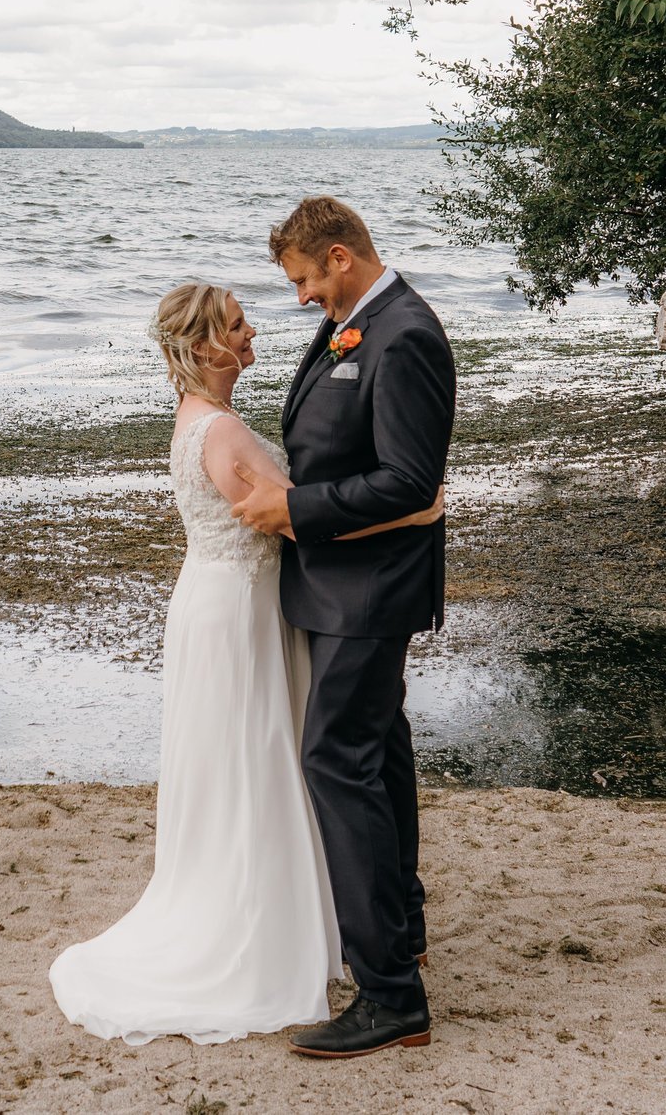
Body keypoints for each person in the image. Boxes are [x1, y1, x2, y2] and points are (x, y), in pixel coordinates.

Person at [48, 281, 439, 1044]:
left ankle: (346, 920)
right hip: (237, 612)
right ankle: (261, 925)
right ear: (204, 347)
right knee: (254, 766)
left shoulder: (206, 421)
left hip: (224, 603)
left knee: (245, 766)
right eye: (236, 323)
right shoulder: (221, 434)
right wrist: (413, 510)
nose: (253, 326)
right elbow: (292, 523)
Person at [230, 196, 455, 1060]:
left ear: (339, 257)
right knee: (379, 747)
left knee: (337, 759)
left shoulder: (405, 335)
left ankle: (392, 997)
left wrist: (294, 508)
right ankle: (402, 925)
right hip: (341, 585)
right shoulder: (360, 320)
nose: (298, 300)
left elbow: (408, 483)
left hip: (372, 591)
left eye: (303, 282)